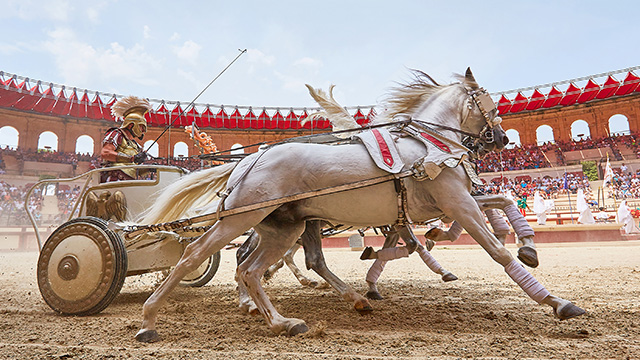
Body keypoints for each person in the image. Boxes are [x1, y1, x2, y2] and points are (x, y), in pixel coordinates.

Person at [100, 96, 152, 182]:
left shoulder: (135, 145)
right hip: (114, 178)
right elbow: (105, 153)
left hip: (130, 181)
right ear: (131, 125)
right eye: (141, 126)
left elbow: (136, 170)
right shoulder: (116, 134)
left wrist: (149, 168)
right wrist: (131, 158)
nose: (143, 131)